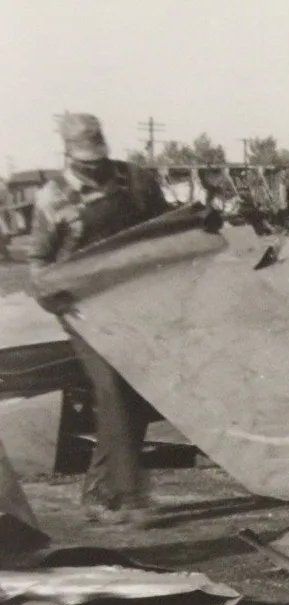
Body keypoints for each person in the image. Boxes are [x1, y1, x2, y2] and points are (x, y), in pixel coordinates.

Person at [25, 113, 170, 523]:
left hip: (134, 302)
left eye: (99, 158)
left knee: (136, 394)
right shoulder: (52, 199)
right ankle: (128, 496)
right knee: (110, 390)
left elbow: (163, 228)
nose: (95, 168)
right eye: (86, 162)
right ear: (68, 154)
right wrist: (49, 296)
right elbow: (38, 259)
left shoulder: (135, 182)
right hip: (82, 308)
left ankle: (99, 491)